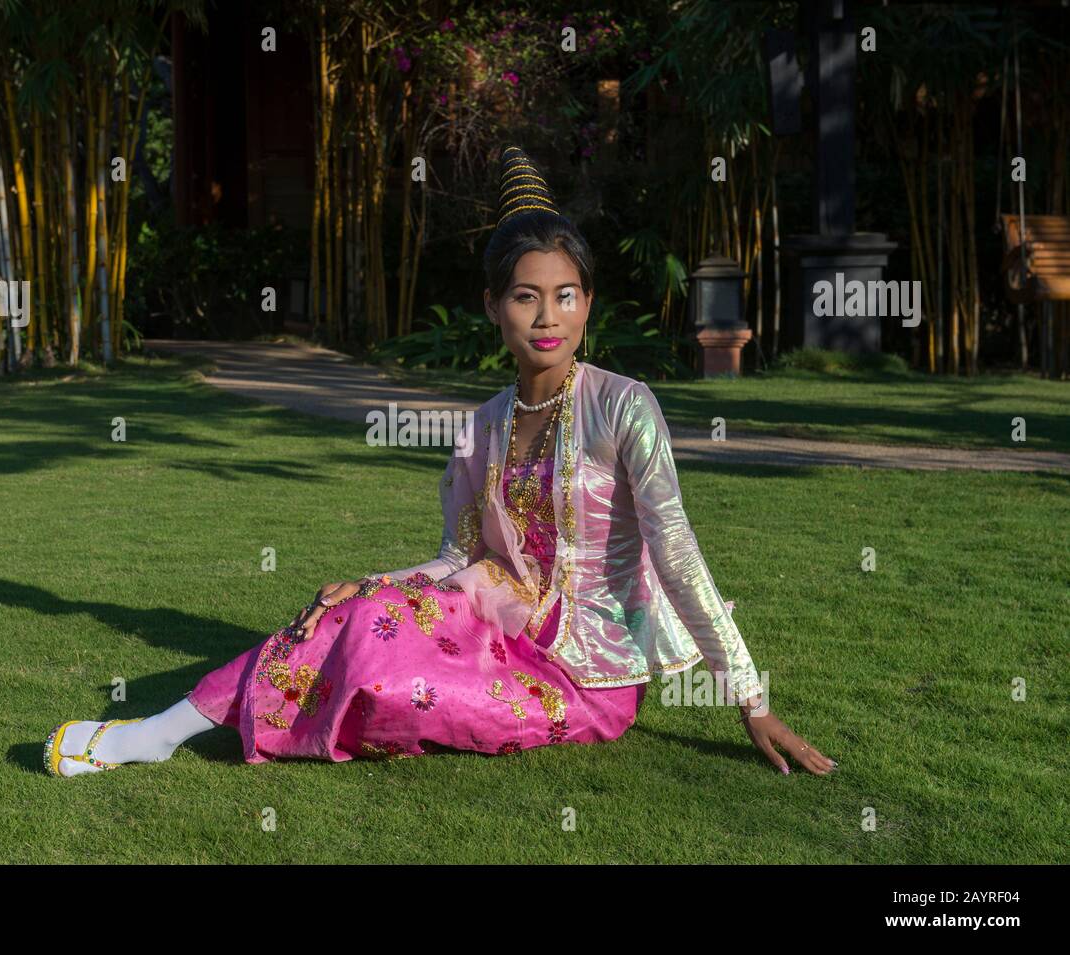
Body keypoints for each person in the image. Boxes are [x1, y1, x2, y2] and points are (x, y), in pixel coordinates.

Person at [43, 146, 836, 778]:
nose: (548, 316)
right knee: (352, 613)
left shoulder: (624, 406)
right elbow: (464, 556)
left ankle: (184, 727)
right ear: (494, 307)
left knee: (386, 685)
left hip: (587, 682)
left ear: (589, 301)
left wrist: (751, 698)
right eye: (527, 296)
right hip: (495, 622)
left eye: (567, 294)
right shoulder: (484, 426)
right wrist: (376, 583)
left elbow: (677, 549)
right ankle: (158, 731)